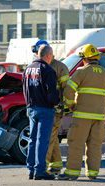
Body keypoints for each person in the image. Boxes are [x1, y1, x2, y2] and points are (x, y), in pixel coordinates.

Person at [58, 44, 105, 180]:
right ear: (97, 58)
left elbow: (68, 90)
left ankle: (72, 173)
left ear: (85, 59)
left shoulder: (81, 72)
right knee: (95, 146)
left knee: (76, 144)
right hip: (99, 118)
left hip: (81, 116)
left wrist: (71, 105)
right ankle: (92, 173)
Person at [31, 40, 69, 174]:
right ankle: (57, 165)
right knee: (51, 137)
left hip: (55, 109)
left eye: (38, 53)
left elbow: (67, 89)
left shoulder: (59, 67)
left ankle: (44, 168)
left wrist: (64, 106)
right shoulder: (38, 66)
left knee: (47, 138)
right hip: (44, 108)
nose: (37, 56)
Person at [23, 45, 59, 180]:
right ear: (48, 56)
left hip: (31, 108)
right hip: (45, 109)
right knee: (42, 140)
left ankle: (30, 169)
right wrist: (57, 101)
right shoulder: (47, 70)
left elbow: (24, 88)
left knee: (32, 139)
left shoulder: (28, 69)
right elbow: (52, 94)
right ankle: (39, 170)